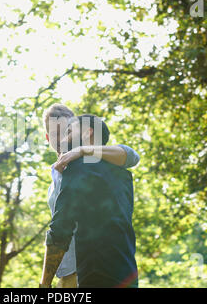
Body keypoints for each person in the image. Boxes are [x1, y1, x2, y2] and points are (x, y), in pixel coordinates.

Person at [42, 104, 139, 288]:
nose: (63, 138)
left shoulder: (86, 166)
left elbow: (131, 156)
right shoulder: (55, 180)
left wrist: (83, 150)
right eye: (57, 134)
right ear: (48, 138)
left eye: (67, 130)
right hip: (66, 274)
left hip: (91, 270)